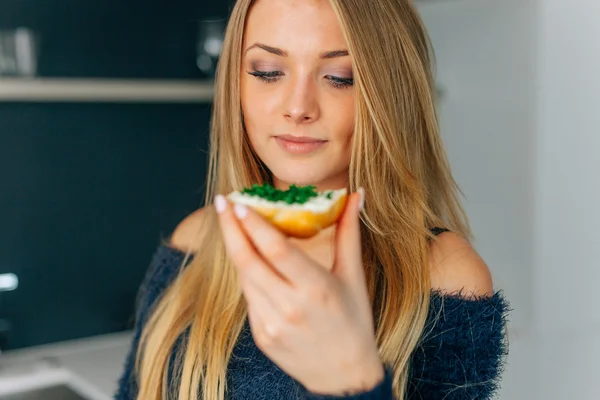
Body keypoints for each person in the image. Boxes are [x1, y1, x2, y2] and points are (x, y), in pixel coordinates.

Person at [115, 0, 510, 399]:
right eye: (268, 72)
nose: (298, 107)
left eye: (340, 77)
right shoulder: (195, 239)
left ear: (390, 92)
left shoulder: (445, 277)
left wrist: (354, 380)